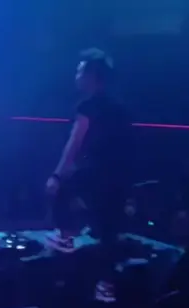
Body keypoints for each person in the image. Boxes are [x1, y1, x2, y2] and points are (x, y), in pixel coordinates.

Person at [45, 48, 134, 252]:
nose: (76, 76)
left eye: (80, 71)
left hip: (94, 177)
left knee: (62, 192)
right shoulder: (119, 106)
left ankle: (66, 239)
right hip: (116, 179)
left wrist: (57, 176)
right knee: (107, 236)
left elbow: (75, 142)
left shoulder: (88, 106)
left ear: (92, 76)